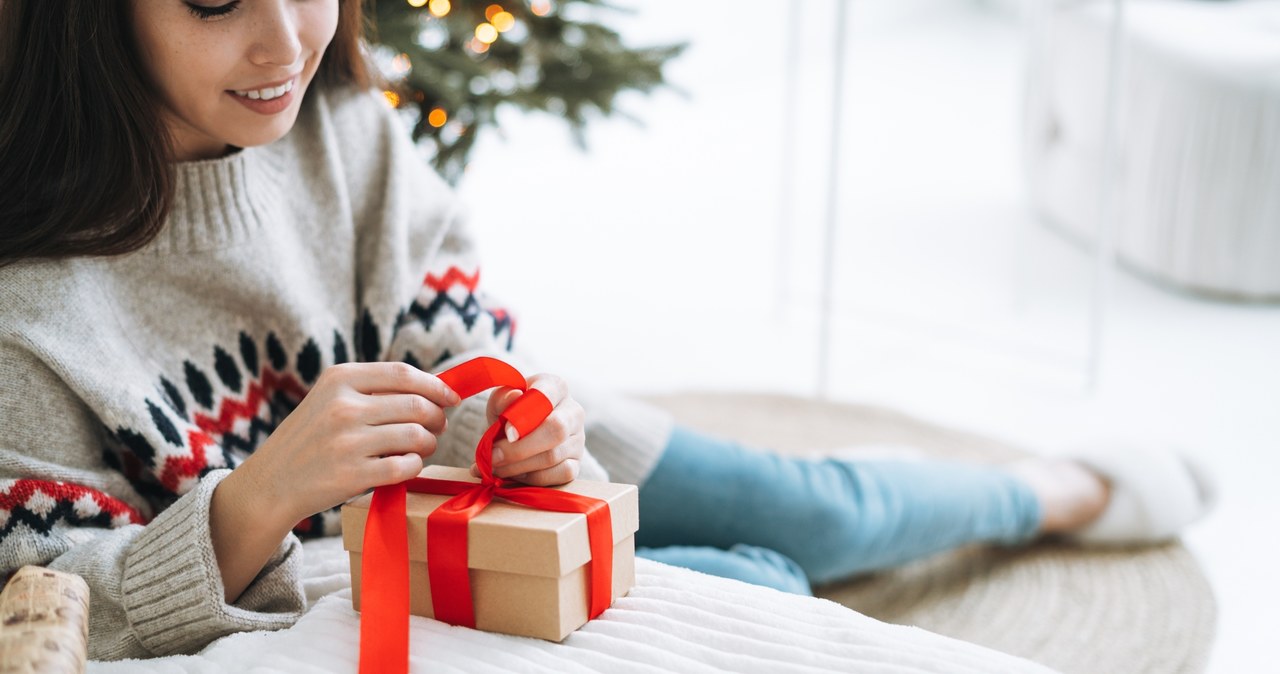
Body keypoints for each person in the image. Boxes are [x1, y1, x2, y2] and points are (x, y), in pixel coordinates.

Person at [0, 0, 1213, 662]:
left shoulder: (340, 124)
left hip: (510, 486)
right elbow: (56, 600)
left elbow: (448, 312)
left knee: (820, 506)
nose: (282, 40)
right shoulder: (32, 308)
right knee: (753, 580)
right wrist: (254, 502)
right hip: (381, 585)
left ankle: (1045, 493)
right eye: (214, 2)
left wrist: (517, 415)